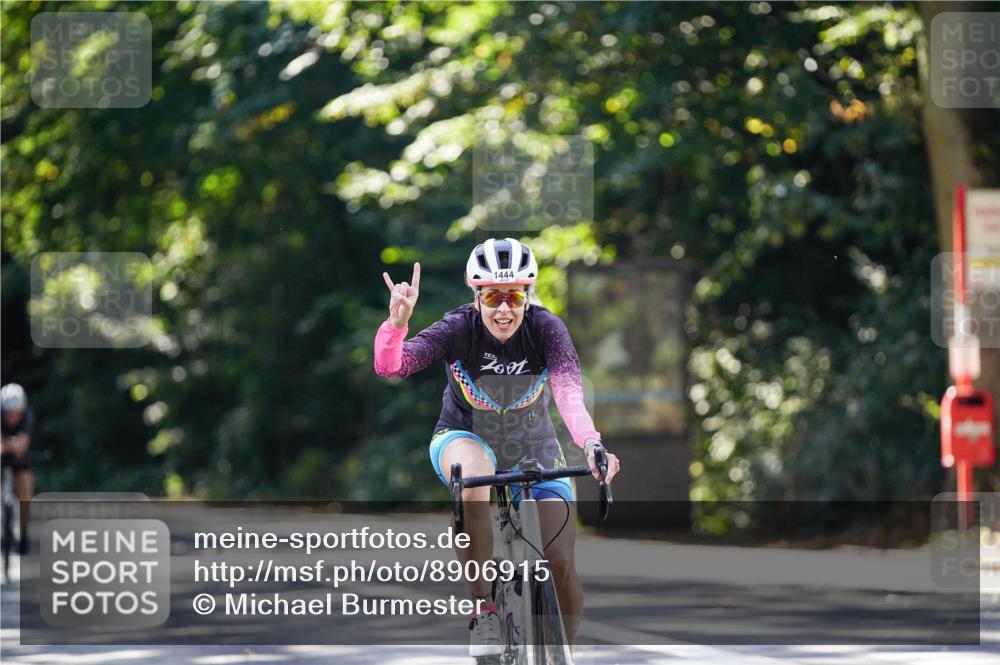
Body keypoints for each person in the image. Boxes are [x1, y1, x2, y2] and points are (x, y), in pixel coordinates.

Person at [374, 238, 621, 657]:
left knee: (560, 564)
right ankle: (484, 610)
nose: (504, 308)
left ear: (528, 295)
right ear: (476, 296)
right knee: (473, 477)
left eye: (514, 296)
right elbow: (391, 366)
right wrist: (396, 325)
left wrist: (591, 443)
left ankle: (568, 654)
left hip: (535, 445)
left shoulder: (546, 328)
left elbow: (568, 393)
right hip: (463, 437)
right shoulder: (457, 328)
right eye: (492, 296)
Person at [1, 383, 35, 555]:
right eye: (7, 413)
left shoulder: (28, 416)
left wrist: (9, 445)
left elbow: (22, 444)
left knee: (25, 486)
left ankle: (24, 532)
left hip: (19, 460)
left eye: (15, 413)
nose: (11, 417)